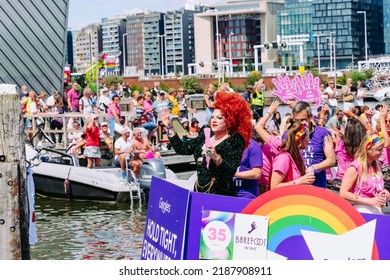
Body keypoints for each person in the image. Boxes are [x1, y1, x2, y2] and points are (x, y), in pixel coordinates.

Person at [160, 91, 252, 197]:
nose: (214, 120)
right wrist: (170, 127)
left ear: (230, 121)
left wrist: (216, 157)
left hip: (221, 196)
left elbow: (230, 172)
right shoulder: (206, 133)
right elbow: (183, 148)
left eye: (219, 118)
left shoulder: (235, 140)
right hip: (199, 192)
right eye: (212, 117)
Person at [255, 101, 315, 189]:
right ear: (298, 142)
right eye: (297, 120)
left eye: (303, 120)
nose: (309, 140)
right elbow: (274, 187)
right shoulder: (281, 150)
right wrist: (270, 112)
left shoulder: (298, 154)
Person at [340, 132, 390, 214]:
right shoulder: (355, 167)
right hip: (361, 212)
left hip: (377, 211)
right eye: (379, 150)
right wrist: (369, 201)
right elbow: (343, 193)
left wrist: (384, 191)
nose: (383, 153)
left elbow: (372, 186)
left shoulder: (377, 165)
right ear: (368, 149)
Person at [292, 101, 336, 188]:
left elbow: (331, 160)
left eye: (303, 120)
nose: (300, 123)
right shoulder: (289, 134)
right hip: (295, 187)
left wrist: (314, 168)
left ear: (310, 117)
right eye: (296, 120)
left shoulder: (322, 133)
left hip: (317, 186)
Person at [233, 129, 263, 199]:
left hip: (245, 195)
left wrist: (232, 173)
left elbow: (256, 173)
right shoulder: (227, 144)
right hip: (226, 193)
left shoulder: (253, 146)